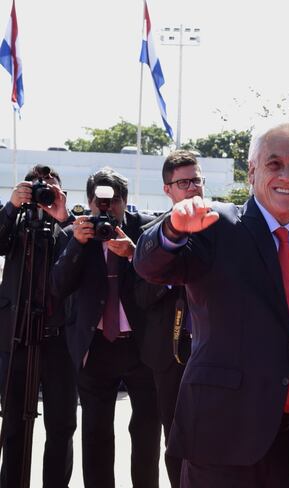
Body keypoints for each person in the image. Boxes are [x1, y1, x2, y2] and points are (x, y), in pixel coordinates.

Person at [134, 118, 289, 487]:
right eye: (274, 163)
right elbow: (149, 265)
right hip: (219, 437)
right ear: (251, 171)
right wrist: (171, 231)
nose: (286, 175)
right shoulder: (215, 224)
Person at [51, 167, 161, 488]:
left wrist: (134, 254)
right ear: (88, 202)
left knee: (146, 433)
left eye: (112, 203)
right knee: (96, 434)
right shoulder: (75, 234)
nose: (105, 211)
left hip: (140, 346)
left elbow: (161, 284)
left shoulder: (144, 231)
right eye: (98, 203)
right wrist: (76, 244)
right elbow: (58, 286)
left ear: (124, 202)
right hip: (95, 346)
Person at [0, 165, 77, 488]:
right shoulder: (15, 222)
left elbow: (84, 257)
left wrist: (64, 218)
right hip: (16, 337)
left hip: (59, 340)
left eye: (51, 189)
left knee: (61, 427)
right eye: (37, 189)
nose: (44, 194)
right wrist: (11, 206)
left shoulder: (69, 225)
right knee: (14, 426)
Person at [135, 150, 205, 488]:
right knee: (175, 441)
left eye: (196, 179)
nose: (192, 188)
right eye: (183, 182)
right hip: (169, 356)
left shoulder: (224, 229)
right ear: (168, 190)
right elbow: (141, 297)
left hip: (215, 353)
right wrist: (171, 268)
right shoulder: (153, 237)